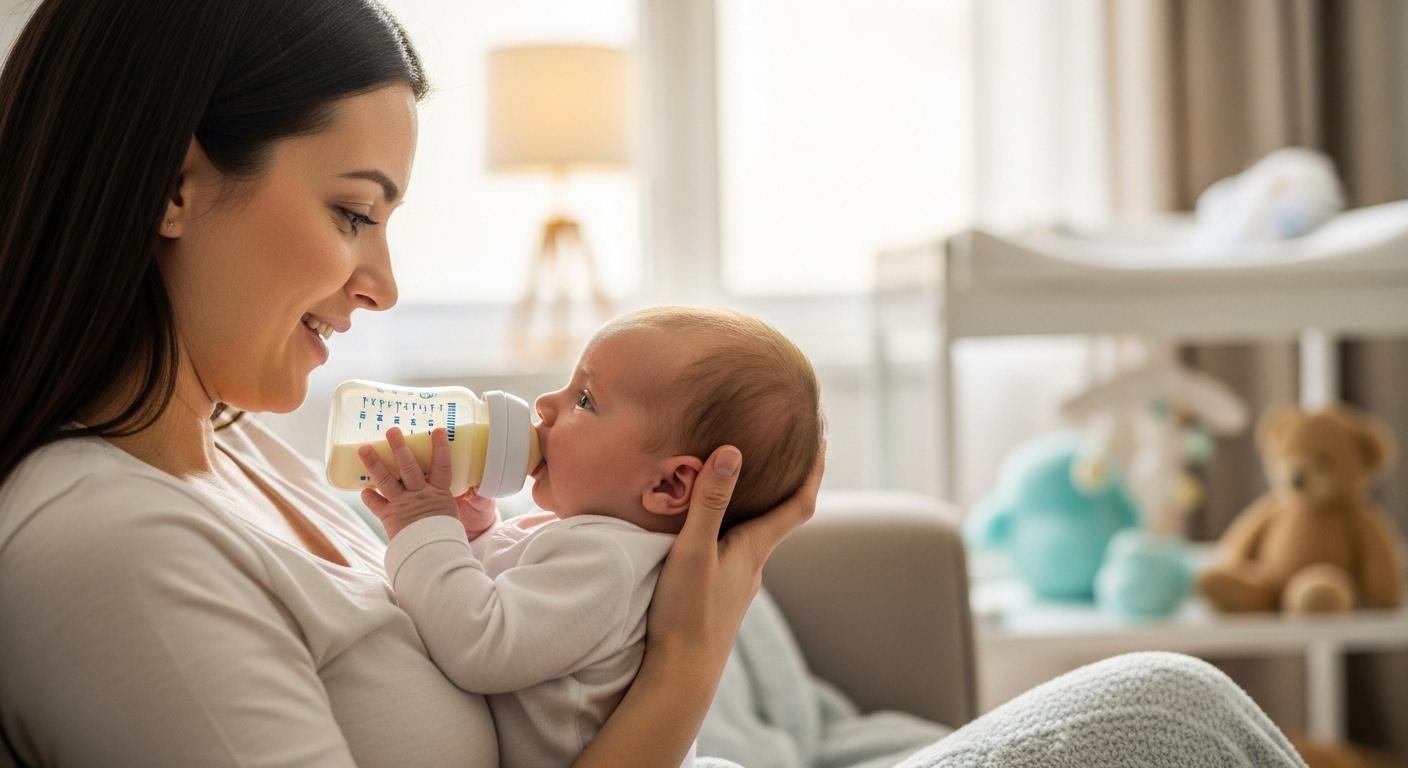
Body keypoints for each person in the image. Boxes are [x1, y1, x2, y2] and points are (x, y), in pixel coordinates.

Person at [0, 1, 1308, 767]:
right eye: (353, 213)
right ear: (176, 182)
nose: (383, 283)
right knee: (1169, 714)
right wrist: (683, 665)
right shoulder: (99, 540)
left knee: (1170, 711)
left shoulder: (236, 452)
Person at [357, 307, 822, 768]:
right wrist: (476, 533)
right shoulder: (596, 539)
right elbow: (508, 597)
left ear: (670, 486)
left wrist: (423, 527)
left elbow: (481, 642)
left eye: (585, 399)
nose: (545, 404)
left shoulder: (609, 559)